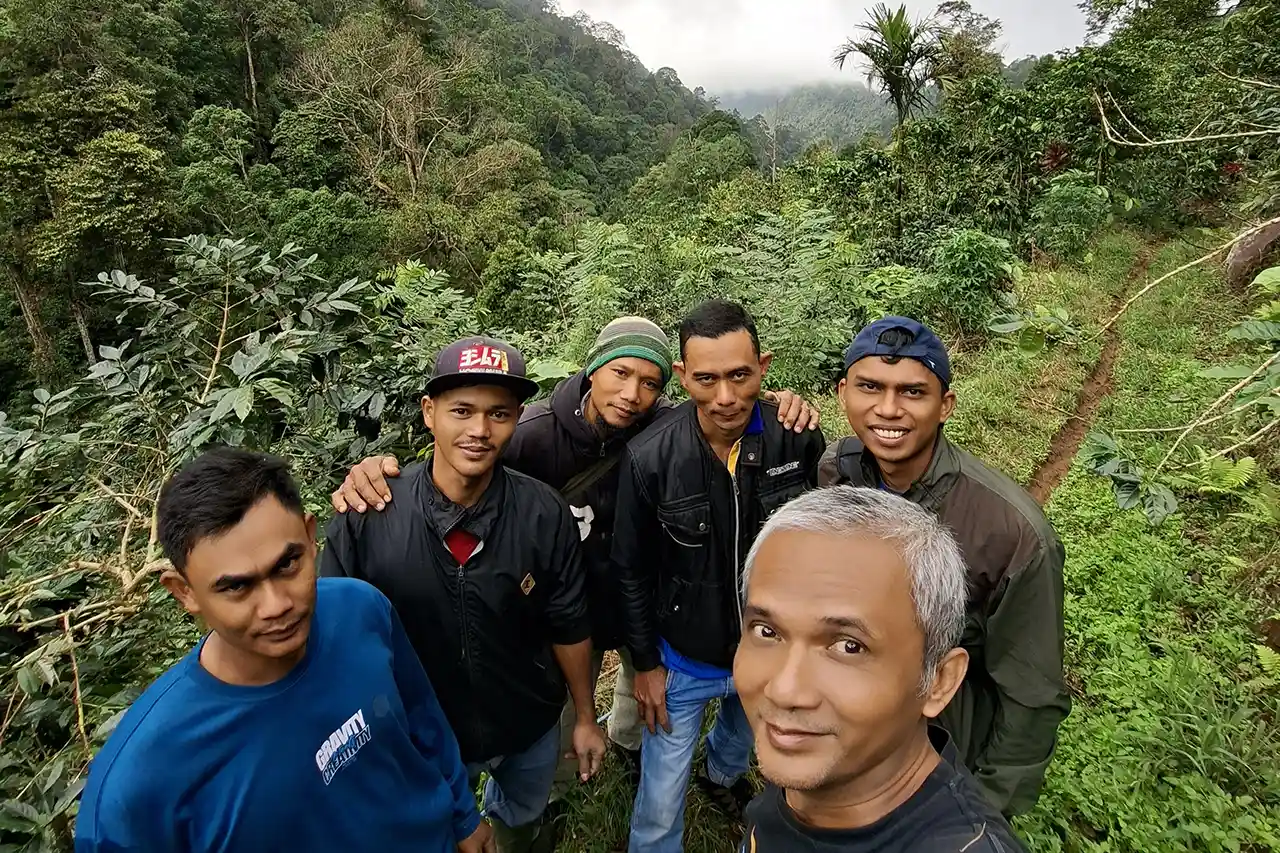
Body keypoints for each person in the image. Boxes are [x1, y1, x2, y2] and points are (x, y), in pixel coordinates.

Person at [327, 318, 821, 812]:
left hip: (634, 600)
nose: (632, 394)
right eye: (620, 373)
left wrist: (777, 401)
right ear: (592, 369)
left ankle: (625, 753)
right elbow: (458, 465)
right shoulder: (529, 436)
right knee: (557, 711)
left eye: (649, 383)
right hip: (546, 602)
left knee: (638, 692)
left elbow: (720, 401)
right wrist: (375, 471)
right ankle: (550, 788)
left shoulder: (660, 427)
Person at [75, 448, 493, 853]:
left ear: (311, 538)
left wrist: (462, 815)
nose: (277, 606)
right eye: (237, 586)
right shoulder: (137, 784)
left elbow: (422, 718)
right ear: (185, 593)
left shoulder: (360, 610)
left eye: (287, 565)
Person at [320, 336, 605, 853]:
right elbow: (335, 643)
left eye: (498, 413)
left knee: (522, 816)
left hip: (528, 719)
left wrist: (584, 717)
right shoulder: (370, 515)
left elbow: (568, 621)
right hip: (419, 730)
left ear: (518, 417)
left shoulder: (542, 512)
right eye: (461, 410)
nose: (479, 430)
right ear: (430, 414)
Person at [818, 316, 1070, 817]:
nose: (888, 409)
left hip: (937, 748)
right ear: (843, 392)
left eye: (913, 392)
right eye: (870, 387)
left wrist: (986, 810)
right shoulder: (835, 472)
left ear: (945, 405)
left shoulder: (1012, 533)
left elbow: (1032, 694)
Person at [612, 299, 828, 853]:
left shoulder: (795, 438)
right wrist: (645, 663)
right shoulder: (651, 456)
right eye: (705, 380)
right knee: (660, 805)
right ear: (682, 377)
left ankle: (722, 777)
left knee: (739, 736)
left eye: (740, 376)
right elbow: (630, 568)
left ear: (765, 366)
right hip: (683, 657)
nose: (726, 398)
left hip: (770, 649)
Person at [734, 485, 1028, 852]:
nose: (784, 690)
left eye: (848, 646)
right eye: (767, 631)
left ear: (938, 681)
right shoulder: (819, 768)